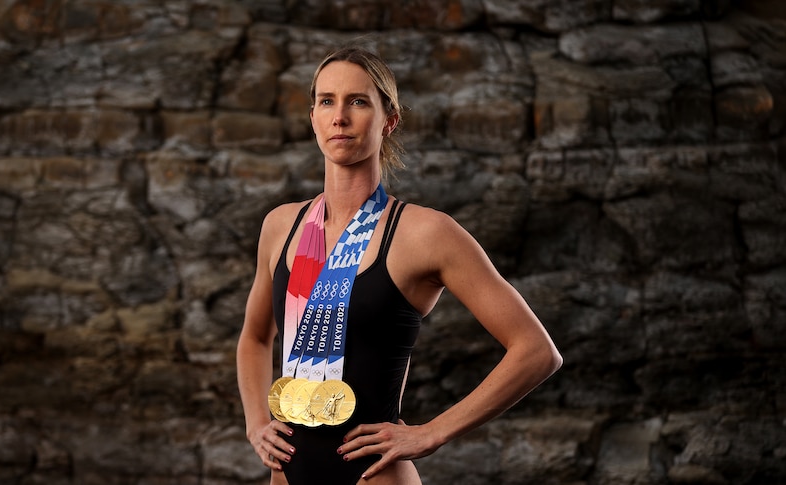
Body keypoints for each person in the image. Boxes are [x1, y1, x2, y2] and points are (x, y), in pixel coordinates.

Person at [236, 46, 562, 485]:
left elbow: (537, 351)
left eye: (358, 101)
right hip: (287, 475)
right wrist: (257, 424)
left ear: (388, 120)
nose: (340, 117)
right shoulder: (281, 226)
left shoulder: (426, 234)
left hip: (375, 476)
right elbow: (255, 338)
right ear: (312, 116)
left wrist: (433, 433)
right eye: (327, 101)